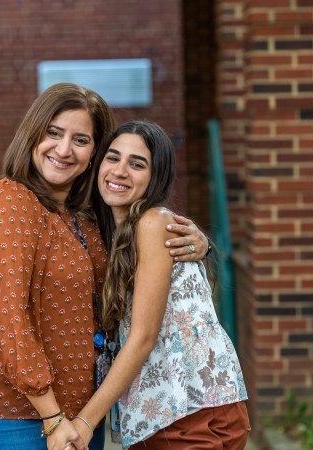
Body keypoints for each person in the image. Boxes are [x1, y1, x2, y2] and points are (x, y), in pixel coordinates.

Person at [0, 84, 209, 450]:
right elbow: (7, 320)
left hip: (81, 414)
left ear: (94, 154)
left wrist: (200, 242)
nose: (63, 149)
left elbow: (143, 259)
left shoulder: (84, 216)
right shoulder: (8, 201)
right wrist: (51, 416)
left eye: (81, 139)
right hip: (16, 414)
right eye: (53, 132)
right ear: (32, 134)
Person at [68, 120, 249, 450]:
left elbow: (143, 337)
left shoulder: (153, 222)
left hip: (186, 411)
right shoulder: (116, 233)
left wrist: (84, 421)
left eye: (137, 164)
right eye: (113, 157)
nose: (120, 171)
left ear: (156, 178)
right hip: (164, 412)